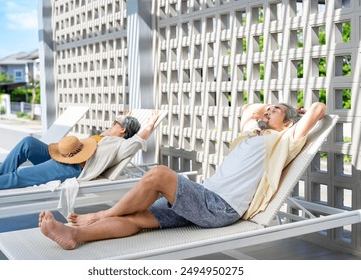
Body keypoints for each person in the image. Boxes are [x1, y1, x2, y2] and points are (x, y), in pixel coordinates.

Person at [38, 102, 326, 250]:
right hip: (203, 199)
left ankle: (101, 215)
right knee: (136, 218)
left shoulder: (283, 141)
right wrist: (270, 111)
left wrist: (296, 116)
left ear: (287, 123)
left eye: (276, 111)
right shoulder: (250, 135)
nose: (269, 110)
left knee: (160, 174)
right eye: (270, 107)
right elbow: (248, 109)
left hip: (220, 207)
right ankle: (74, 235)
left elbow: (319, 109)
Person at [0, 111, 160, 192]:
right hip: (63, 154)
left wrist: (150, 124)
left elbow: (136, 141)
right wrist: (123, 117)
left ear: (123, 131)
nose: (111, 124)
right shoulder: (105, 137)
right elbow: (110, 133)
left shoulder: (120, 145)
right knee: (27, 143)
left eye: (115, 123)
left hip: (72, 167)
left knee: (24, 175)